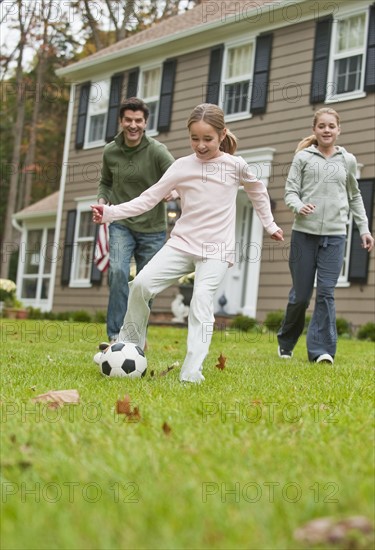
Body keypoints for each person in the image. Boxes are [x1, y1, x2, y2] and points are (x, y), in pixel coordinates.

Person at [92, 103, 284, 383]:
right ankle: (126, 346)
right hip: (182, 243)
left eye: (208, 139)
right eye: (195, 138)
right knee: (142, 284)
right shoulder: (182, 167)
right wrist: (109, 213)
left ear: (221, 135)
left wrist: (270, 224)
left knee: (201, 302)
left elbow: (258, 191)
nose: (201, 145)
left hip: (216, 248)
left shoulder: (235, 166)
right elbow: (148, 198)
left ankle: (192, 371)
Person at [277, 107, 374, 364]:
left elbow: (355, 196)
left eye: (332, 126)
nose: (327, 130)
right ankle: (286, 341)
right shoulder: (303, 158)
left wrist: (364, 229)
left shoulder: (347, 160)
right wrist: (299, 206)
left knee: (326, 293)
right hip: (304, 236)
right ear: (315, 129)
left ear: (338, 130)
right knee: (300, 296)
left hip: (335, 236)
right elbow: (290, 192)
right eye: (322, 126)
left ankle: (321, 351)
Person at [97, 97, 175, 344]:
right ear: (121, 121)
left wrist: (172, 192)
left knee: (146, 283)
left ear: (145, 122)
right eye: (128, 120)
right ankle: (114, 334)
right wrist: (102, 200)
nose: (133, 125)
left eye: (138, 121)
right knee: (119, 272)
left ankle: (137, 334)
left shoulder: (157, 151)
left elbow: (178, 177)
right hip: (122, 223)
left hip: (153, 228)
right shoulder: (110, 151)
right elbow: (106, 183)